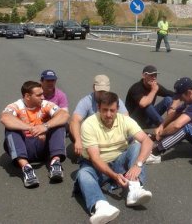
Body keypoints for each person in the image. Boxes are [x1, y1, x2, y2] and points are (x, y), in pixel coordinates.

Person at [75, 91, 153, 224]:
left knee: (136, 147)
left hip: (119, 161)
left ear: (117, 109)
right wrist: (114, 176)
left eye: (112, 110)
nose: (108, 114)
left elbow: (148, 141)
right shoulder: (89, 124)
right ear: (98, 108)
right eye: (105, 110)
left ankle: (134, 189)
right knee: (83, 174)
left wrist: (137, 165)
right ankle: (101, 206)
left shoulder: (125, 120)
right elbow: (95, 158)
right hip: (97, 166)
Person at [1, 81, 69, 188]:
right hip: (24, 148)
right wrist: (30, 128)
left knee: (59, 124)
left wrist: (45, 126)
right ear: (27, 96)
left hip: (43, 146)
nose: (43, 97)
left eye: (42, 94)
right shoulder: (16, 106)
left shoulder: (45, 104)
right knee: (10, 129)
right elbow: (5, 118)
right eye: (39, 95)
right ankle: (26, 168)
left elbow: (64, 115)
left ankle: (55, 163)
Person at [70, 75, 128, 156]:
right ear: (94, 88)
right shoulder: (86, 101)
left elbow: (126, 117)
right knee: (72, 129)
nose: (102, 94)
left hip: (110, 132)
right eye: (100, 91)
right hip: (93, 134)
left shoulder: (115, 100)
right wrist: (78, 140)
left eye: (104, 91)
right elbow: (75, 120)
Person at [125, 65, 175, 129]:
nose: (154, 78)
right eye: (151, 75)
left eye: (155, 76)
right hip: (134, 122)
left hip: (147, 119)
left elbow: (169, 93)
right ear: (144, 76)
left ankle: (171, 121)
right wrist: (153, 91)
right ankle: (164, 125)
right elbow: (143, 104)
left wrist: (182, 94)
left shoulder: (154, 86)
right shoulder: (136, 88)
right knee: (147, 105)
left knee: (168, 99)